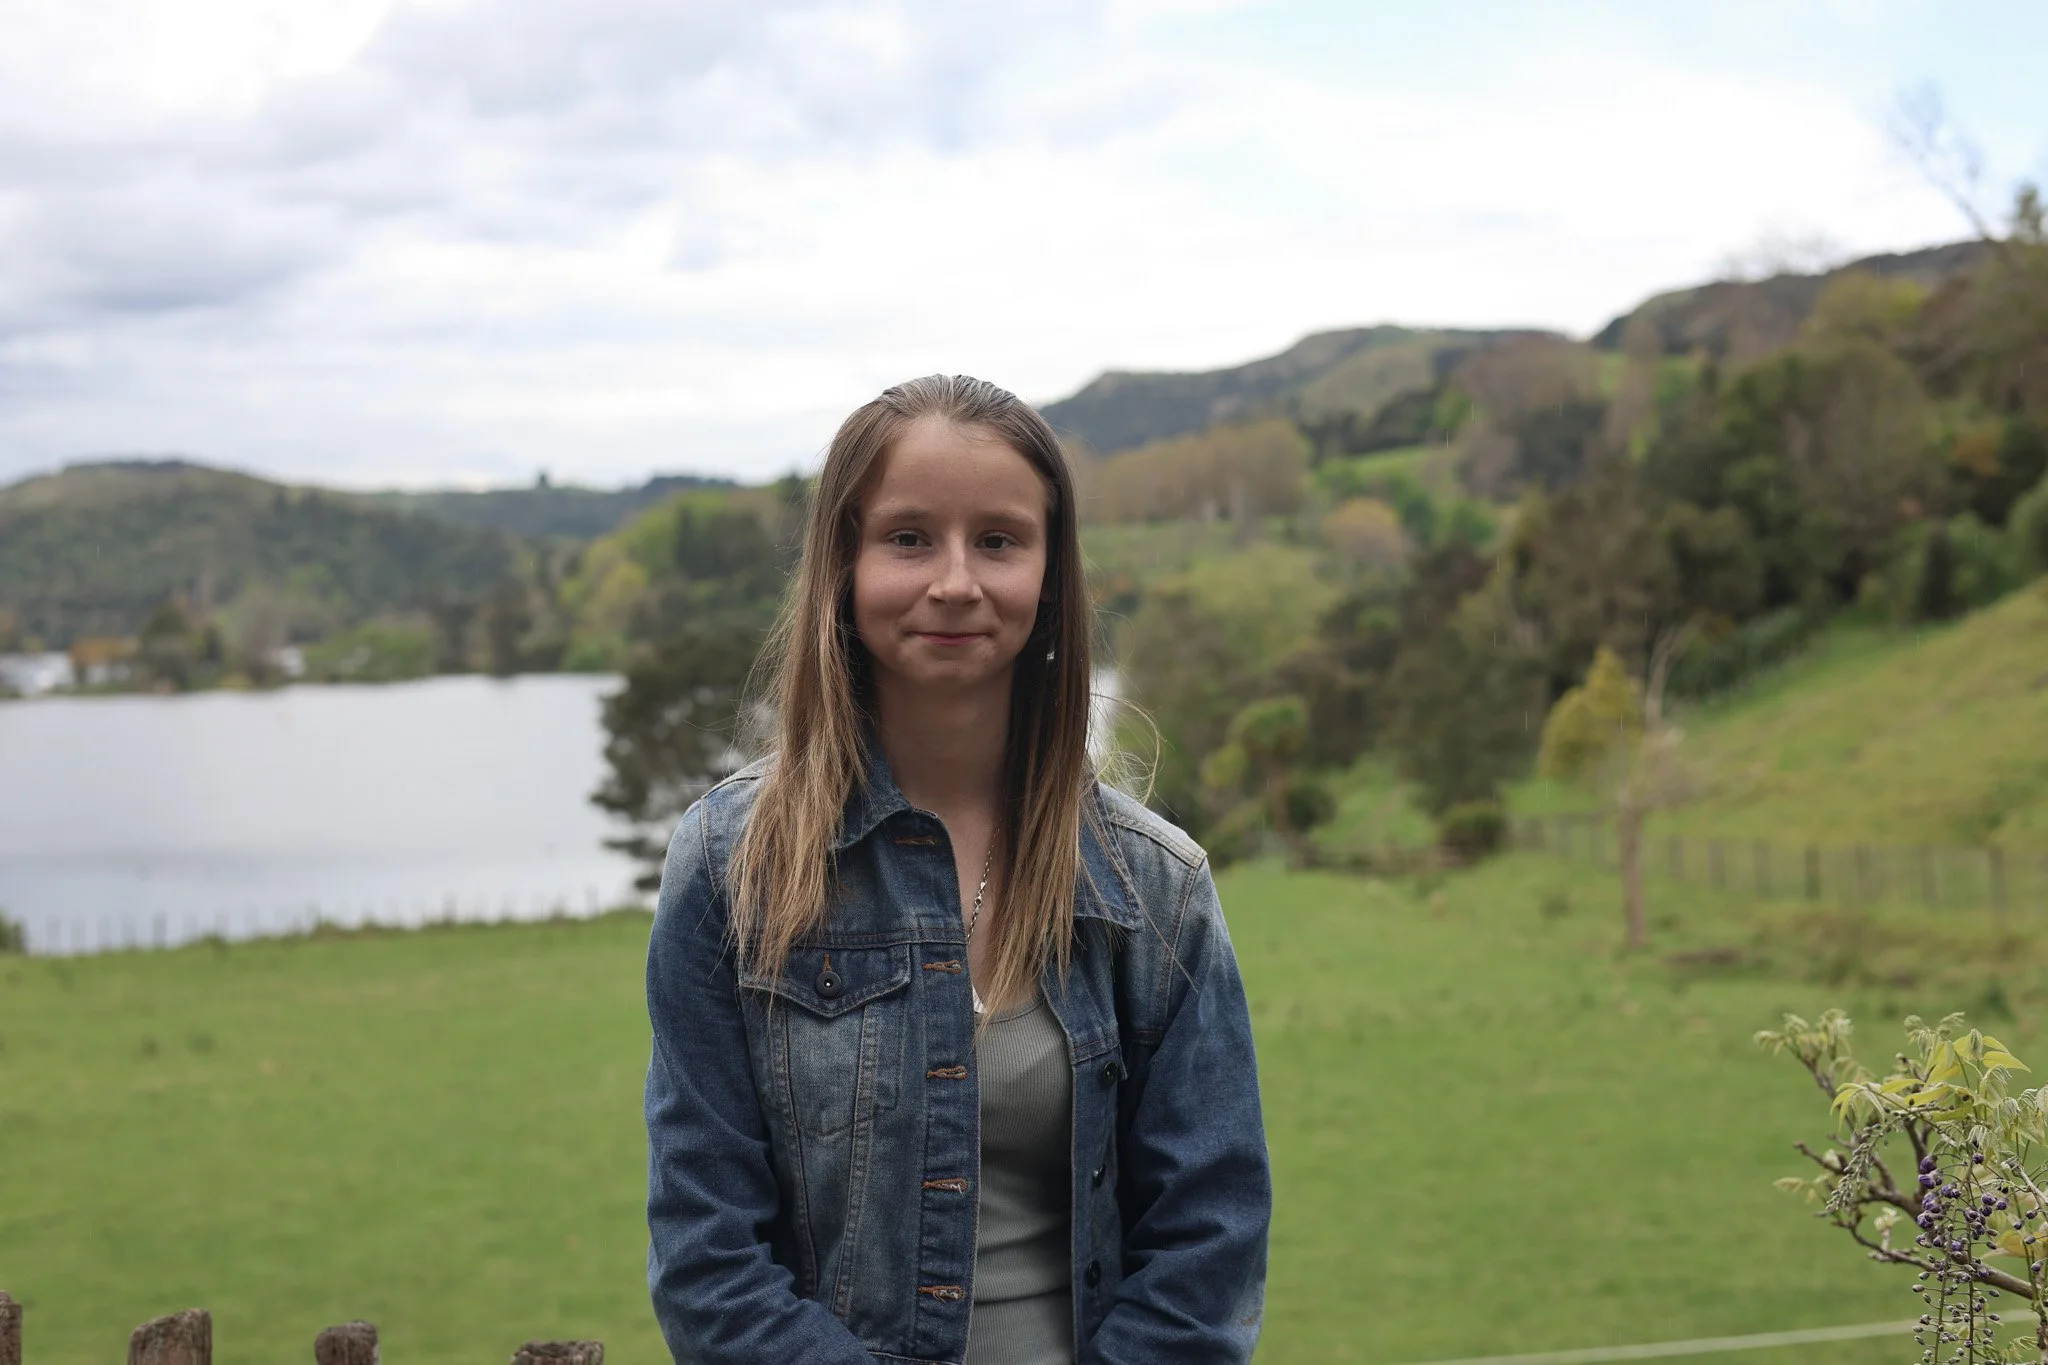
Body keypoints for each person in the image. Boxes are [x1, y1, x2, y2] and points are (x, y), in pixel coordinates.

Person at [643, 374, 1270, 1365]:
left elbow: (1209, 1247)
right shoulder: (732, 865)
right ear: (840, 566)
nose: (953, 582)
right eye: (906, 538)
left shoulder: (1156, 891)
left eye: (997, 540)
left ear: (1049, 577)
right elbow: (706, 1257)